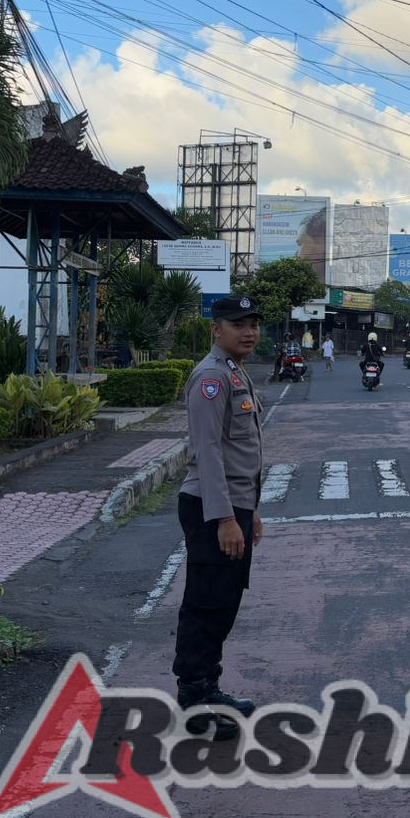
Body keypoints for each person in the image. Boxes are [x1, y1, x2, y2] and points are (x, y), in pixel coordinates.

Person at [175, 295, 265, 738]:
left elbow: (240, 451)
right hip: (213, 509)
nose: (248, 331)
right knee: (206, 603)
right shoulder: (212, 377)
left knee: (224, 603)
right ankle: (193, 700)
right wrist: (226, 519)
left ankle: (209, 688)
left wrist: (252, 512)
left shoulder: (234, 371)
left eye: (253, 324)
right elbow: (207, 452)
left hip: (234, 505)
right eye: (237, 324)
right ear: (216, 328)